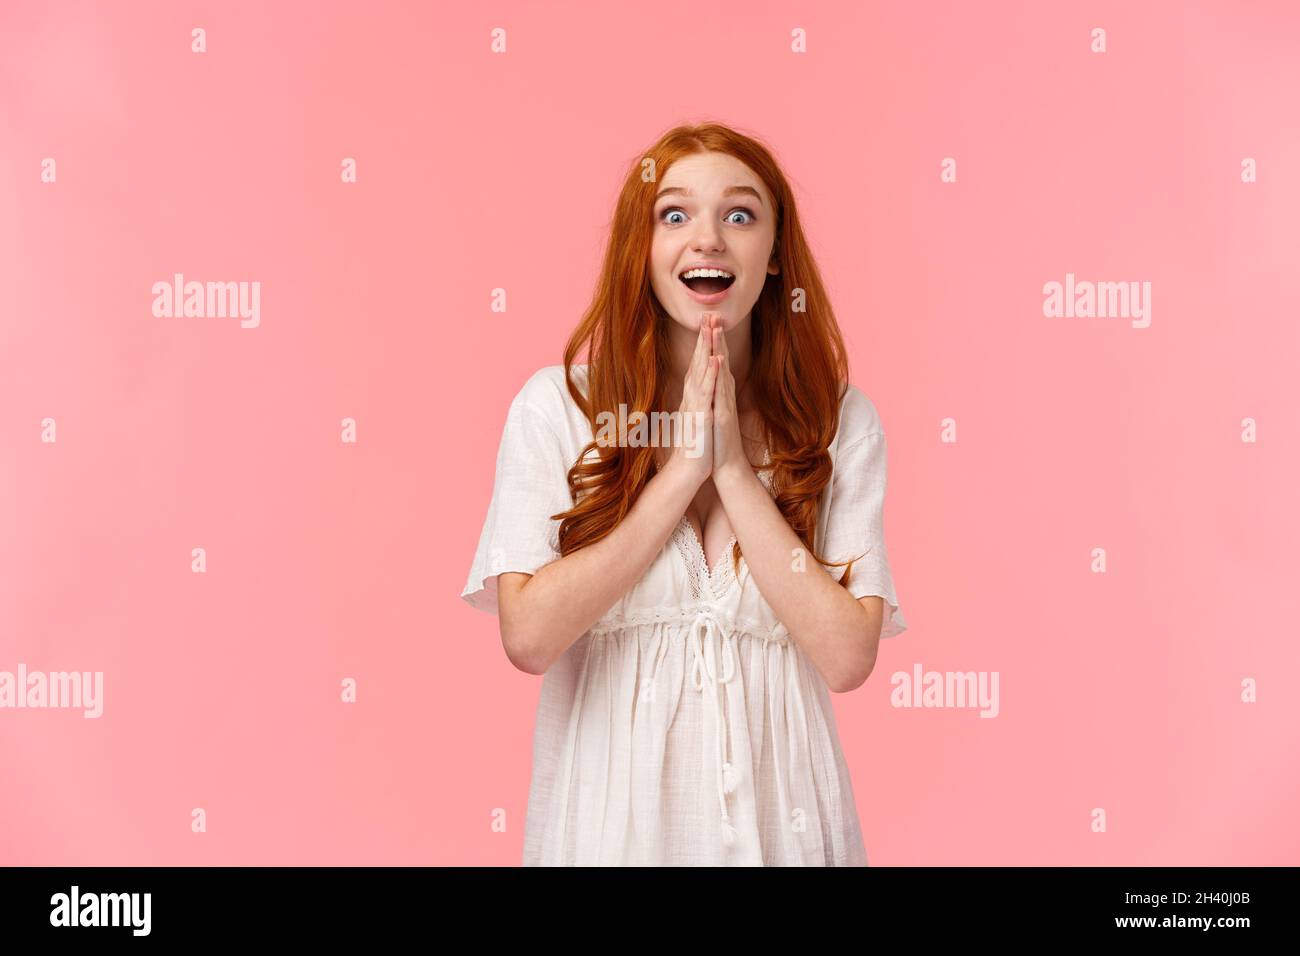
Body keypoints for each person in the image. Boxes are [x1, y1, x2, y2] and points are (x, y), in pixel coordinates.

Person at [461, 121, 908, 866]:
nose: (708, 239)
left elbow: (845, 657)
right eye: (674, 214)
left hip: (788, 836)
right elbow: (529, 637)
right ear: (642, 249)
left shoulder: (839, 422)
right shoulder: (557, 410)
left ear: (774, 255)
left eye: (740, 214)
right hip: (609, 839)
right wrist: (682, 473)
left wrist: (733, 473)